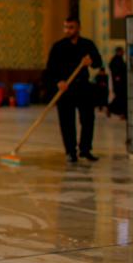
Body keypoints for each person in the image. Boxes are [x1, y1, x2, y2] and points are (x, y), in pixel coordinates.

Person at [45, 16, 103, 163]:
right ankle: (70, 151)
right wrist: (58, 82)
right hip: (65, 89)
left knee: (88, 119)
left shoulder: (87, 45)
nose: (68, 30)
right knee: (67, 121)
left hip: (83, 86)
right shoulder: (58, 47)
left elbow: (98, 63)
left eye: (71, 27)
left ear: (78, 28)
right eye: (66, 27)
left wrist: (91, 61)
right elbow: (50, 69)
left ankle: (85, 149)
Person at [108, 46, 127, 117]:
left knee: (120, 97)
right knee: (120, 97)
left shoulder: (119, 59)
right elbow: (114, 69)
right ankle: (112, 109)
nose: (123, 52)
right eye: (122, 51)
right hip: (119, 83)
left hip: (121, 82)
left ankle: (120, 112)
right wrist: (117, 76)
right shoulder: (116, 60)